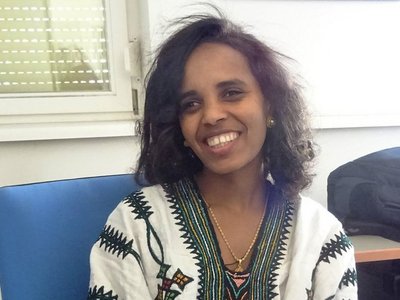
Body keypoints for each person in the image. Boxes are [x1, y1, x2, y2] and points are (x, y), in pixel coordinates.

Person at [88, 10, 357, 300]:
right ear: (178, 125)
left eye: (231, 93)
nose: (212, 115)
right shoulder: (138, 224)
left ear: (269, 106)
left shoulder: (320, 235)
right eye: (191, 104)